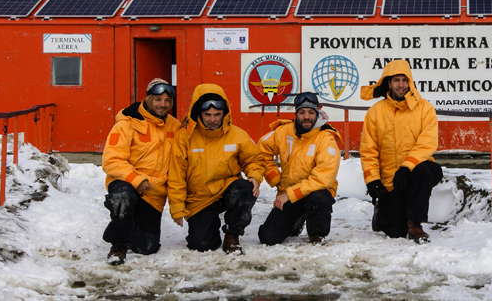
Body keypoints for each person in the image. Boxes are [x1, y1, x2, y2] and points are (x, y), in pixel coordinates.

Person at [168, 84, 265, 254]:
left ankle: (232, 235)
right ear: (198, 113)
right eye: (208, 115)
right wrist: (177, 206)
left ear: (224, 113)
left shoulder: (237, 134)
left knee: (245, 188)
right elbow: (176, 173)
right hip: (199, 199)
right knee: (203, 245)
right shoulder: (184, 137)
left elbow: (254, 159)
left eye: (217, 115)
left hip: (227, 189)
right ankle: (205, 226)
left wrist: (255, 175)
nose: (213, 120)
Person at [359, 60, 443, 243]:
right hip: (392, 181)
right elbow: (368, 150)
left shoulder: (425, 108)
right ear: (388, 83)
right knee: (395, 230)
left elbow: (427, 143)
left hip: (418, 171)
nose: (401, 85)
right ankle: (381, 211)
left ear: (410, 82)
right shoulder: (375, 112)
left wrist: (406, 167)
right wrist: (372, 179)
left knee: (423, 171)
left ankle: (415, 224)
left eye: (405, 80)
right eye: (396, 80)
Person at [101, 78, 180, 265]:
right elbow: (111, 160)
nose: (163, 104)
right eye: (158, 99)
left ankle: (131, 220)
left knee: (146, 248)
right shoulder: (126, 124)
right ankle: (118, 245)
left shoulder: (175, 126)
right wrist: (136, 180)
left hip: (154, 190)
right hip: (126, 182)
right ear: (147, 99)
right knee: (123, 197)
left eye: (168, 101)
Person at [257, 92, 342, 245]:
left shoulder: (326, 138)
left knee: (319, 198)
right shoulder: (284, 131)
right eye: (302, 112)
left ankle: (317, 234)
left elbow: (323, 178)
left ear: (317, 112)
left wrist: (289, 195)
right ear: (296, 113)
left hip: (315, 192)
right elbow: (261, 150)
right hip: (289, 192)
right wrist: (276, 179)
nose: (306, 116)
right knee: (267, 237)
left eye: (311, 112)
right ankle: (297, 219)